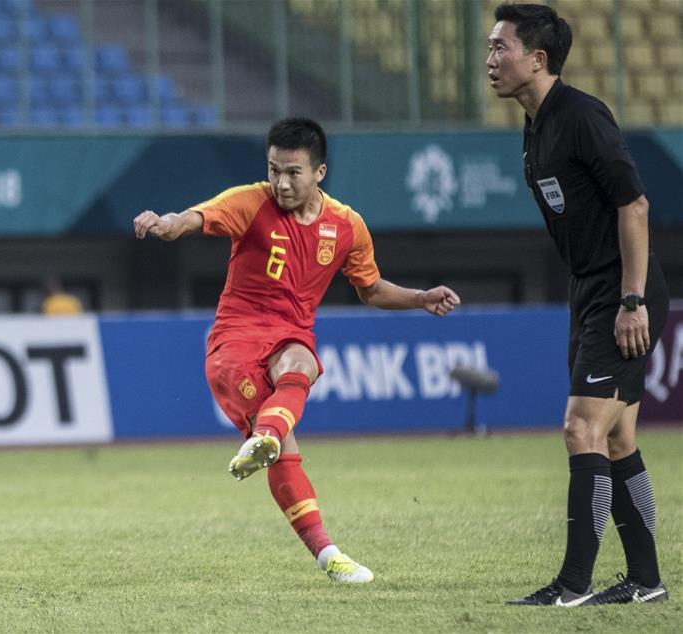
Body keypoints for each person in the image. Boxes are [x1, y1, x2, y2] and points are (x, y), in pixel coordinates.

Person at [133, 117, 461, 583]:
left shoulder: (347, 226)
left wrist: (420, 298)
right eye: (273, 170)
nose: (281, 183)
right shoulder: (250, 202)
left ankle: (327, 551)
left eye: (293, 173)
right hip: (233, 345)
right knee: (283, 446)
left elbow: (369, 288)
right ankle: (318, 535)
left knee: (303, 363)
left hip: (288, 339)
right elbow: (195, 217)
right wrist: (166, 225)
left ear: (319, 173)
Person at [487, 3, 670, 606]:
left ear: (537, 60)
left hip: (622, 293)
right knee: (616, 440)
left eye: (500, 48)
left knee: (579, 428)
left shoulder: (583, 115)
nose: (490, 59)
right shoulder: (535, 123)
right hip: (591, 289)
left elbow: (634, 205)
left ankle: (572, 585)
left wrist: (633, 299)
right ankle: (646, 582)